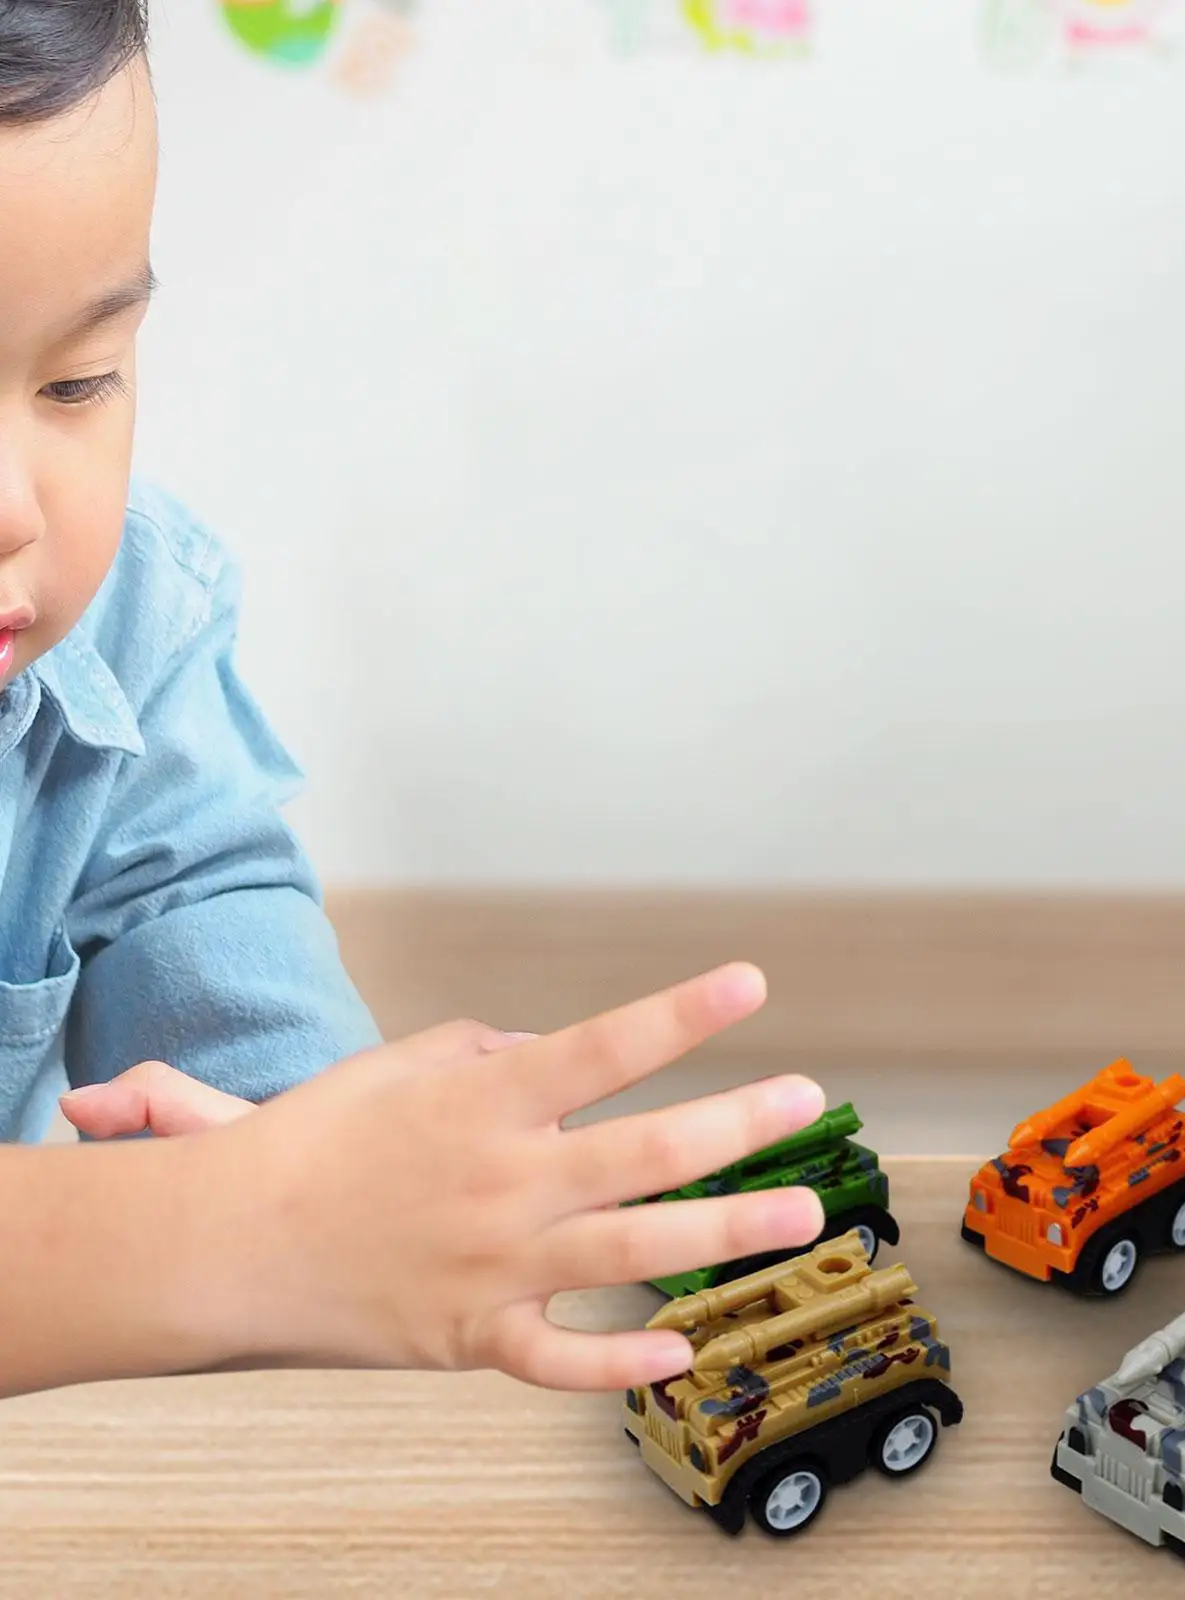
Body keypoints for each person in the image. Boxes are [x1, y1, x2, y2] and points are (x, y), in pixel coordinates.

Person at [0, 1, 826, 1401]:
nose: (18, 514)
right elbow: (248, 1231)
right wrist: (249, 1231)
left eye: (78, 382)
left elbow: (193, 903)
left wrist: (333, 1151)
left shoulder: (125, 616)